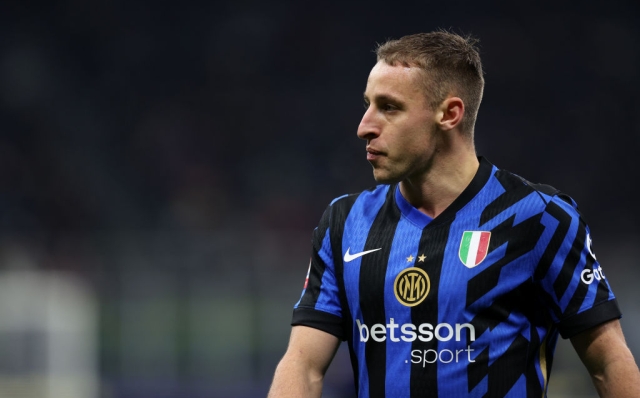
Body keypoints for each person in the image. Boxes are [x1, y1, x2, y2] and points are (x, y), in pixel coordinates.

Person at [267, 30, 640, 398]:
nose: (365, 126)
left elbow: (609, 364)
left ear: (449, 114)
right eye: (367, 104)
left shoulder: (539, 218)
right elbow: (303, 366)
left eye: (389, 107)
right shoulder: (345, 222)